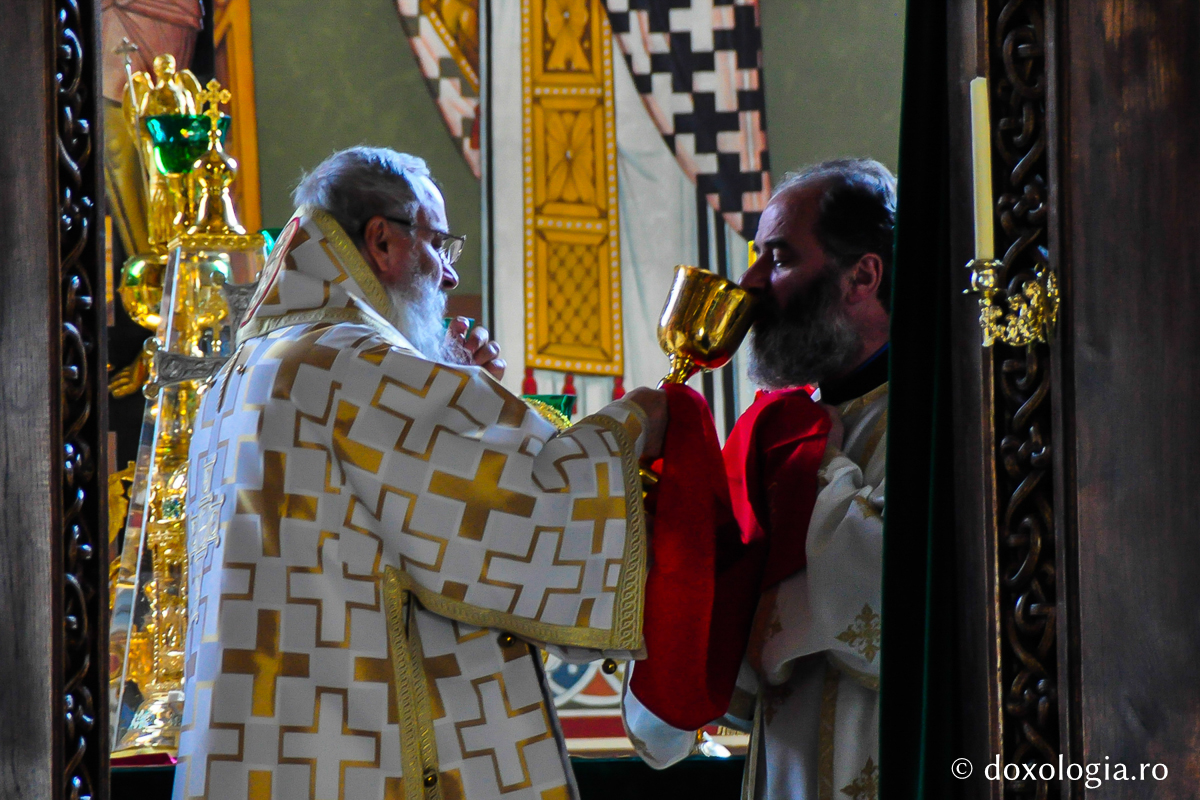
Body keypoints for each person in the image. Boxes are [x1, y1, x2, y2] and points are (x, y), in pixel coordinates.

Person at [174, 147, 667, 800]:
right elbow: (530, 505)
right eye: (439, 242)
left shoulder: (240, 376)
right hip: (361, 763)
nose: (447, 271)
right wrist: (637, 425)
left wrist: (459, 387)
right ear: (382, 239)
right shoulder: (349, 363)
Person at [622, 159, 895, 799]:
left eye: (776, 258)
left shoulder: (949, 418)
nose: (749, 284)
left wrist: (808, 464)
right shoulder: (780, 432)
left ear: (863, 275)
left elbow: (884, 591)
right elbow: (739, 672)